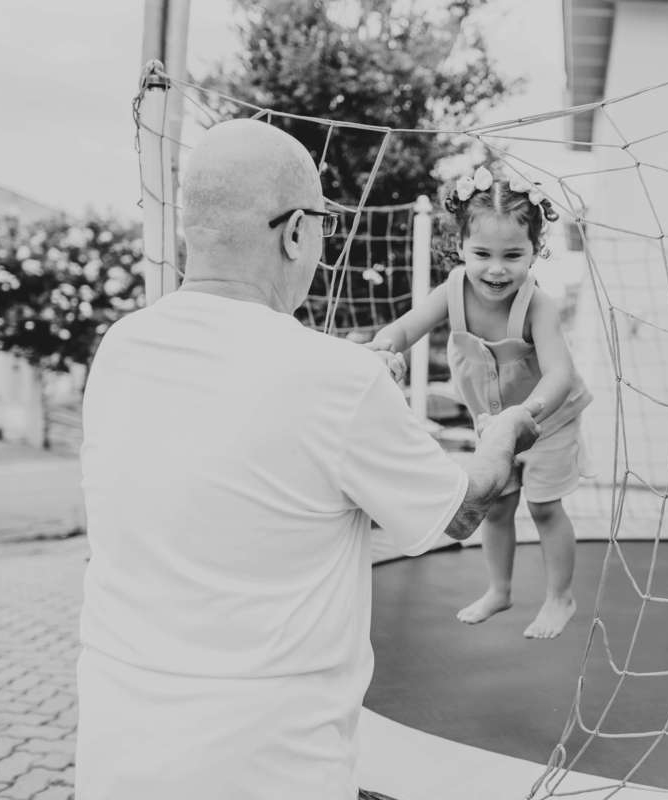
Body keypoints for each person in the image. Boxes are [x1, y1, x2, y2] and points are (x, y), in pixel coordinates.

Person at [75, 120, 539, 800]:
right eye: (321, 223)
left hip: (115, 760)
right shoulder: (336, 381)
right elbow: (459, 510)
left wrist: (356, 387)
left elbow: (240, 436)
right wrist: (502, 433)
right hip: (265, 771)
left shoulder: (121, 348)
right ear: (295, 232)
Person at [367, 165, 592, 640]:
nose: (496, 268)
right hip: (492, 424)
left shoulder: (538, 306)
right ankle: (500, 590)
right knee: (495, 506)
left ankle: (560, 597)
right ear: (460, 248)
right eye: (482, 254)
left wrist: (525, 415)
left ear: (535, 252)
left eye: (513, 255)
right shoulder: (452, 292)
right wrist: (385, 347)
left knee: (545, 506)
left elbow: (560, 372)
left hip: (548, 418)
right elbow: (406, 328)